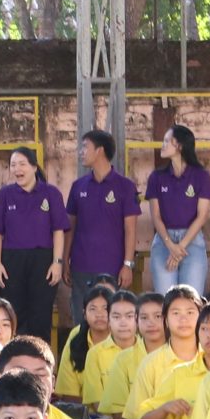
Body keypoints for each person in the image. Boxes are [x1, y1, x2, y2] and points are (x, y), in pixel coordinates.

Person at [0, 148, 68, 342]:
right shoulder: (4, 195)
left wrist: (57, 262)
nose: (17, 169)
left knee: (41, 315)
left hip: (43, 260)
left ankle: (40, 358)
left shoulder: (51, 193)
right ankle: (14, 357)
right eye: (13, 165)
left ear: (34, 166)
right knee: (13, 314)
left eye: (22, 164)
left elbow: (58, 230)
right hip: (12, 260)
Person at [65, 131, 141, 319]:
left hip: (113, 267)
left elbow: (131, 229)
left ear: (100, 150)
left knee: (111, 318)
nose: (81, 152)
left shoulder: (125, 186)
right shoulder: (78, 186)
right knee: (81, 319)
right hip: (81, 266)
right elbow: (70, 227)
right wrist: (65, 260)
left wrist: (128, 264)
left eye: (85, 147)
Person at [142, 126, 210, 294]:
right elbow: (156, 216)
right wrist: (170, 245)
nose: (163, 145)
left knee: (192, 299)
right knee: (165, 298)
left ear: (180, 146)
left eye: (167, 141)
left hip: (192, 241)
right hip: (163, 241)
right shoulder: (157, 177)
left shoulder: (201, 176)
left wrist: (179, 247)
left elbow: (202, 216)